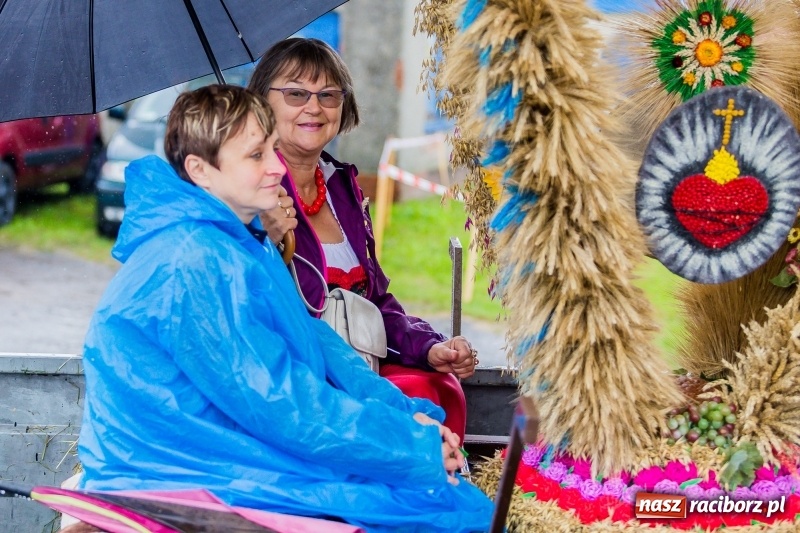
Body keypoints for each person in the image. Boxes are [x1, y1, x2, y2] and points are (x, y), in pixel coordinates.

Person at [75, 84, 493, 532]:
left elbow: (316, 340)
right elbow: (276, 401)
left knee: (437, 498)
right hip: (174, 458)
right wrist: (409, 446)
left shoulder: (243, 240)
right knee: (433, 511)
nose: (277, 167)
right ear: (200, 170)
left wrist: (405, 413)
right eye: (256, 156)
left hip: (225, 436)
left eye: (273, 148)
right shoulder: (192, 261)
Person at [250, 38, 478, 443]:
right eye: (295, 93)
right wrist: (258, 237)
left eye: (328, 95)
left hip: (360, 362)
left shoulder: (343, 188)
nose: (314, 107)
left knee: (439, 388)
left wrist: (428, 346)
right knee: (403, 407)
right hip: (294, 375)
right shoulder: (248, 189)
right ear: (263, 103)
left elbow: (373, 303)